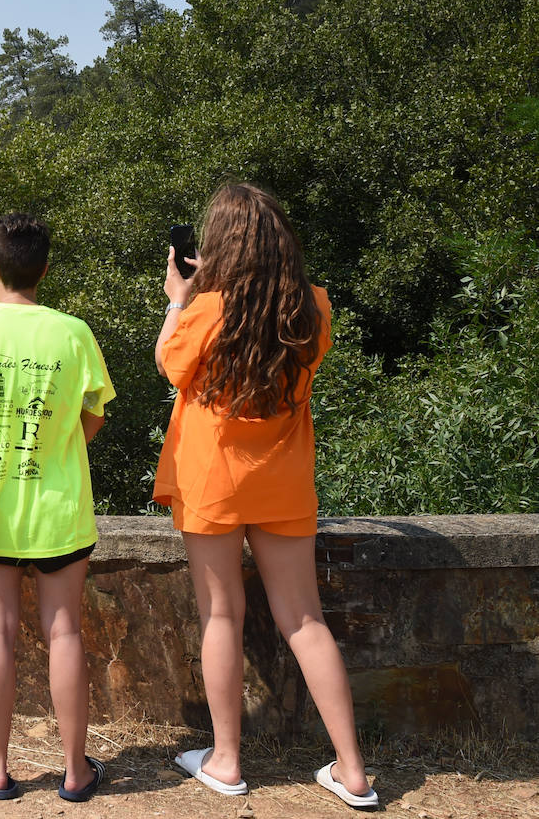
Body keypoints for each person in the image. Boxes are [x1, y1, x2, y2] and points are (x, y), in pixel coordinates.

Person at [153, 183, 379, 810]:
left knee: (220, 616)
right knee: (305, 621)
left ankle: (226, 762)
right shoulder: (313, 307)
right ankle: (353, 771)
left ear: (220, 245)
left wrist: (180, 298)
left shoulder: (205, 308)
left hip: (212, 481)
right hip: (284, 481)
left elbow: (169, 365)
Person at [0, 212, 115, 803]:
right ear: (45, 269)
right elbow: (95, 414)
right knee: (64, 633)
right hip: (59, 508)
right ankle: (76, 772)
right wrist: (55, 448)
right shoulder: (73, 333)